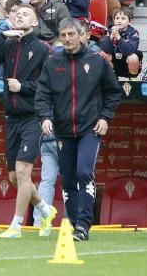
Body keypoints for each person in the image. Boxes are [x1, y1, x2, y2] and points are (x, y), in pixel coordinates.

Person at [35, 18, 121, 241]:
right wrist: (44, 117)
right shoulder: (52, 62)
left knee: (84, 172)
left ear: (82, 35)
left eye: (71, 34)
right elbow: (42, 94)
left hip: (90, 128)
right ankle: (75, 225)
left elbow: (114, 92)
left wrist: (105, 117)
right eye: (63, 35)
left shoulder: (97, 61)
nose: (67, 39)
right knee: (69, 179)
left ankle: (84, 224)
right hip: (63, 131)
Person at [0, 3, 57, 238]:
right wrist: (1, 35)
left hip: (32, 117)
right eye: (17, 13)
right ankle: (45, 209)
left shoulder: (43, 49)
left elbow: (49, 85)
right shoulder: (8, 42)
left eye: (26, 14)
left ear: (34, 22)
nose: (20, 16)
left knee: (23, 172)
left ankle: (16, 225)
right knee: (14, 177)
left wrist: (23, 86)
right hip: (11, 118)